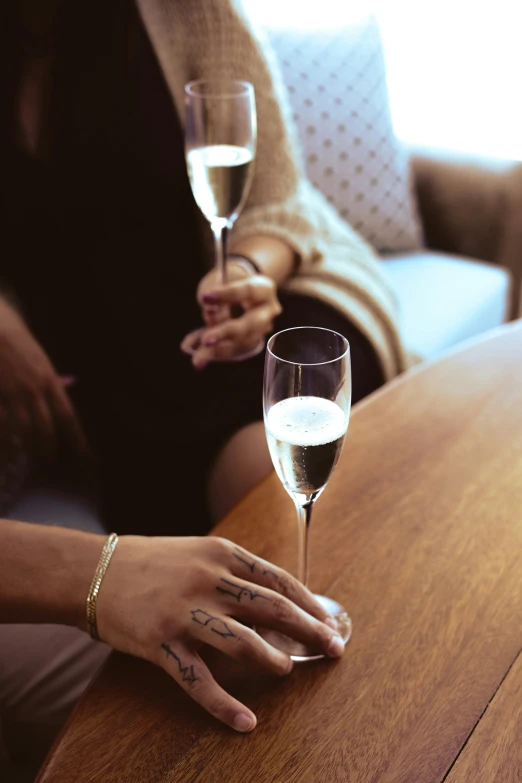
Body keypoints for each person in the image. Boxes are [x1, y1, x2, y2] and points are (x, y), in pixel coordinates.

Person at [0, 0, 409, 771]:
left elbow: (280, 201)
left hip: (255, 329)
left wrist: (248, 273)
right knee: (210, 556)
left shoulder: (185, 14)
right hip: (120, 376)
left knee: (269, 486)